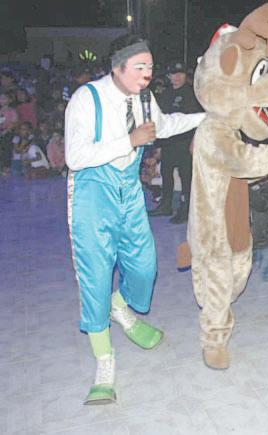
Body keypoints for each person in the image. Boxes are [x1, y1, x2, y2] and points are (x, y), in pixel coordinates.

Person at [64, 35, 205, 405]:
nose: (147, 74)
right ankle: (104, 359)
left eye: (150, 67)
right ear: (117, 67)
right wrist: (130, 140)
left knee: (144, 266)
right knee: (96, 273)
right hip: (93, 191)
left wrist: (207, 118)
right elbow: (75, 156)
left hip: (128, 188)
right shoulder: (86, 98)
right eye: (140, 67)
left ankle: (119, 305)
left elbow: (163, 125)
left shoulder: (144, 98)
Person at [148, 61, 202, 224]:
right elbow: (159, 121)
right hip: (168, 143)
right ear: (169, 76)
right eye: (174, 74)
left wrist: (195, 142)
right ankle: (166, 205)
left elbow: (198, 121)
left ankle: (185, 210)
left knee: (186, 178)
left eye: (180, 74)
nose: (177, 77)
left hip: (185, 143)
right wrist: (158, 146)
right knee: (166, 174)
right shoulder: (165, 93)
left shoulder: (192, 94)